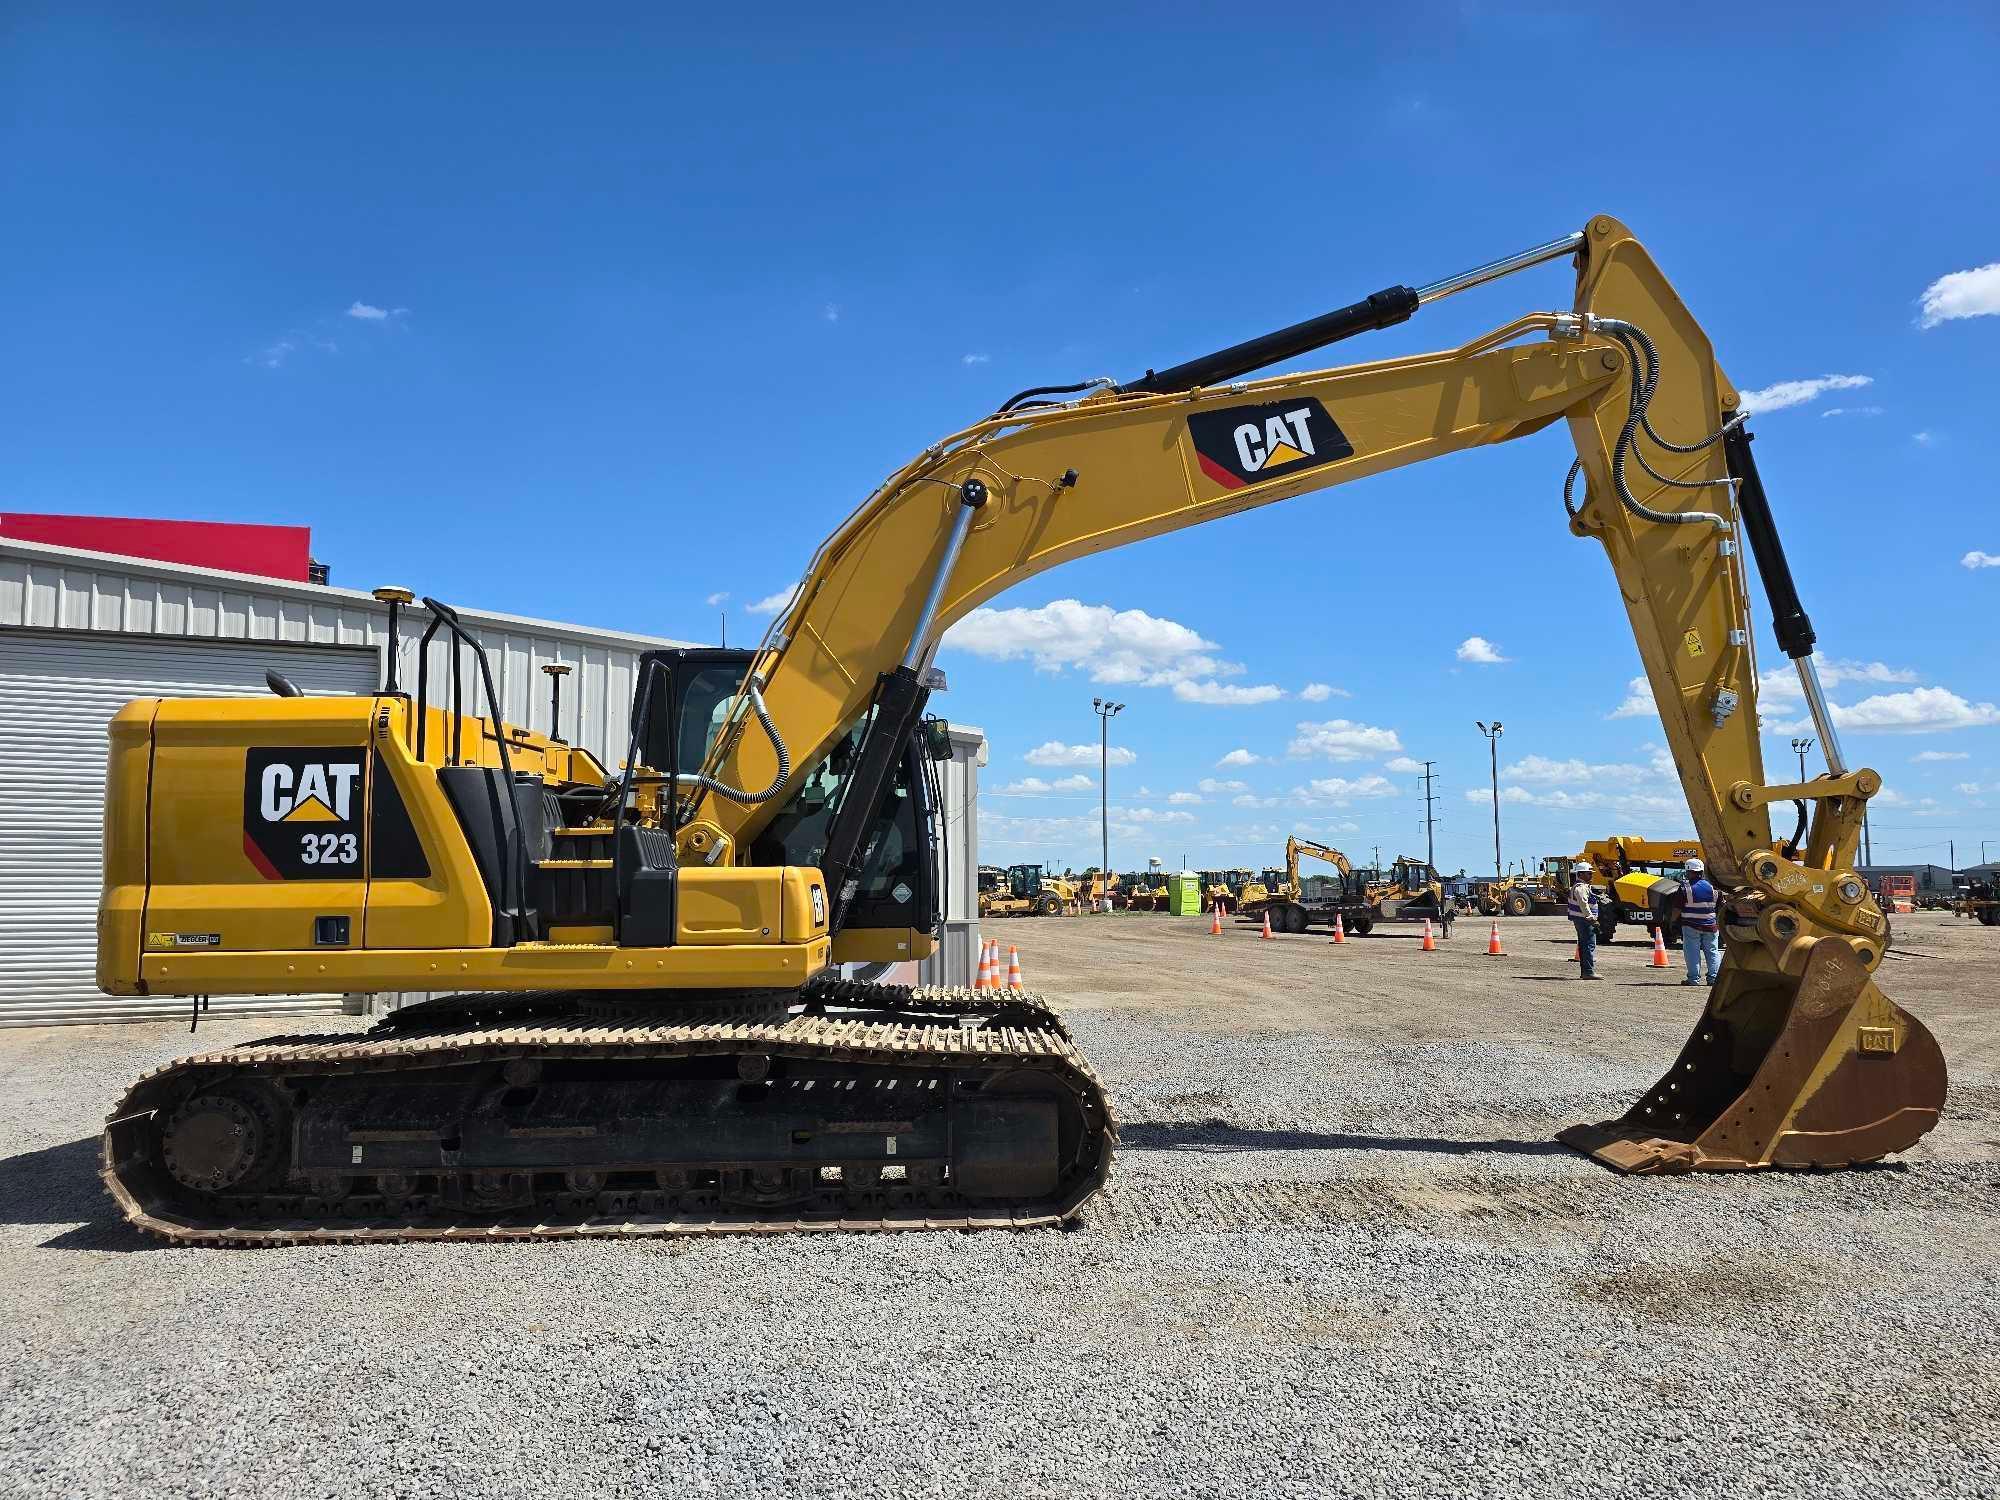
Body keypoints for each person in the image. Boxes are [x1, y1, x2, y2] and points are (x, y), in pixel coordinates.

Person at [1680, 857, 1720, 986]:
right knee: (1713, 951)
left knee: (1692, 952)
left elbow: (1676, 907)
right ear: (1702, 871)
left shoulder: (1685, 888)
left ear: (1688, 871)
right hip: (1711, 925)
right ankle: (1713, 979)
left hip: (1691, 925)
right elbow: (1720, 906)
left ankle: (1693, 979)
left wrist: (1671, 920)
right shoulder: (1714, 887)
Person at [1566, 861, 1601, 980]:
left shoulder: (1579, 887)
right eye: (1588, 873)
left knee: (1584, 945)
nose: (1591, 876)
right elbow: (1584, 904)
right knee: (1588, 945)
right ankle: (1588, 972)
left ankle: (1586, 971)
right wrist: (1591, 918)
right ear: (1580, 874)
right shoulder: (1581, 888)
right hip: (1585, 920)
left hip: (1581, 920)